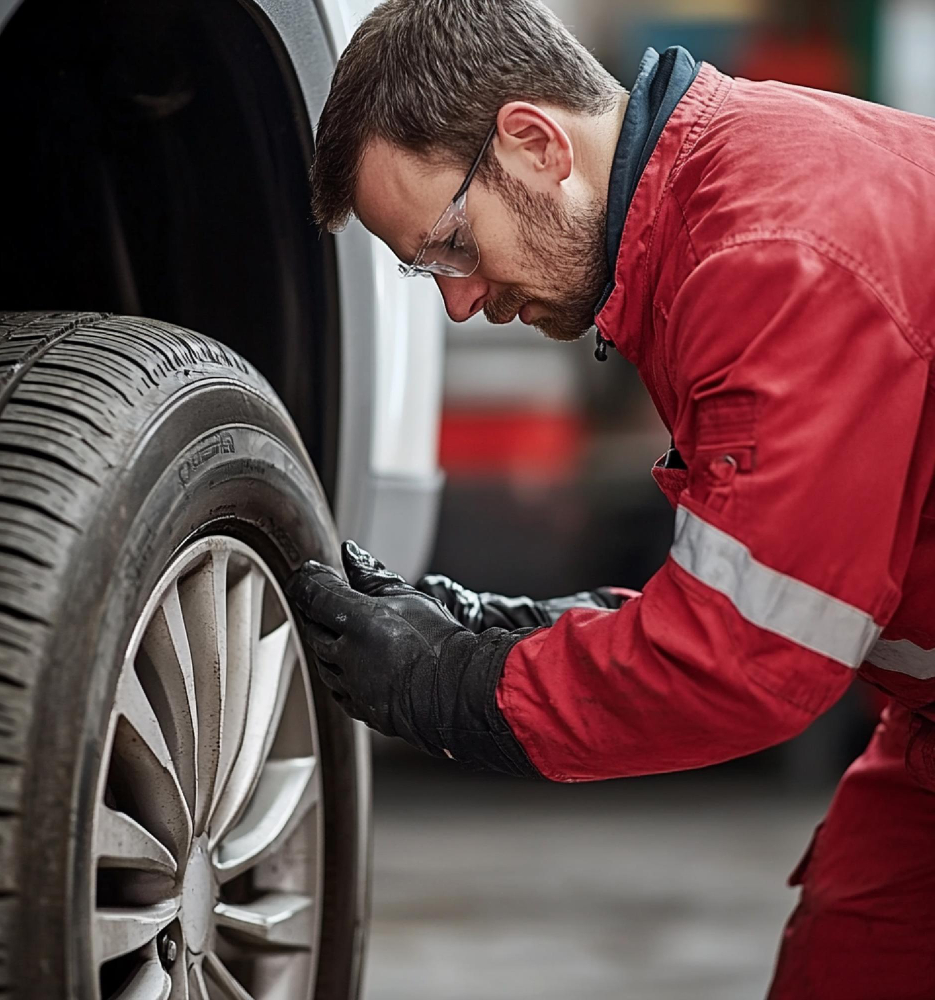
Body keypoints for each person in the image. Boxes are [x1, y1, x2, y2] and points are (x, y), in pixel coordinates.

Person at [284, 2, 935, 996]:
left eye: (451, 244)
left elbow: (750, 660)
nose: (459, 301)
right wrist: (511, 634)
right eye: (427, 271)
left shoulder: (768, 251)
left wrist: (459, 685)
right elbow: (776, 587)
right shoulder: (712, 212)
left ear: (535, 142)